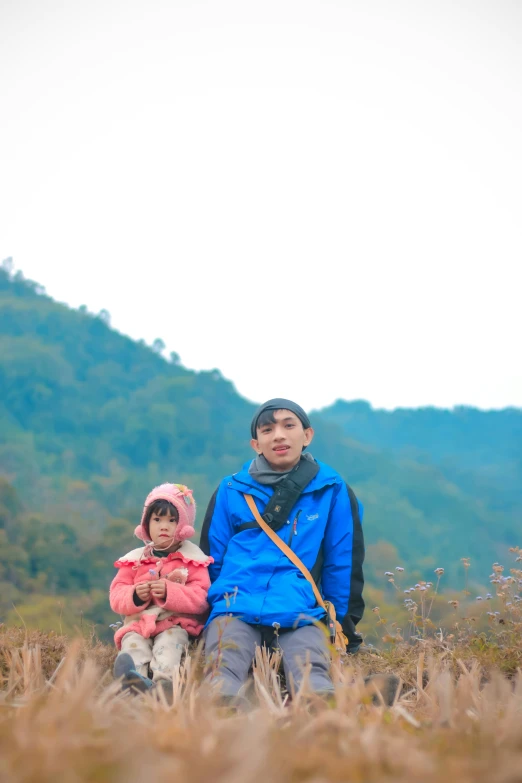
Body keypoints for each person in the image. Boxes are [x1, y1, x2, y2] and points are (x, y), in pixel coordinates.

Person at [200, 398, 365, 701]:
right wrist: (210, 613)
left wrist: (341, 623)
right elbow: (212, 560)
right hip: (235, 607)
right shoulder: (231, 490)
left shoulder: (332, 489)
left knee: (313, 676)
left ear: (307, 435)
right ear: (256, 443)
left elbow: (343, 563)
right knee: (223, 671)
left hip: (301, 610)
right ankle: (225, 717)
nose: (279, 435)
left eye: (289, 425)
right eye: (268, 429)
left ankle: (329, 711)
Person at [110, 482, 212, 692]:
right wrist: (135, 596)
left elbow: (202, 599)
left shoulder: (193, 561)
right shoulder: (134, 560)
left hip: (174, 625)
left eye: (172, 520)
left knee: (169, 648)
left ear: (183, 526)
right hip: (139, 624)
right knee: (133, 645)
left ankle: (164, 685)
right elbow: (116, 595)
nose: (163, 526)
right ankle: (132, 681)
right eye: (157, 519)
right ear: (146, 524)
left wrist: (170, 592)